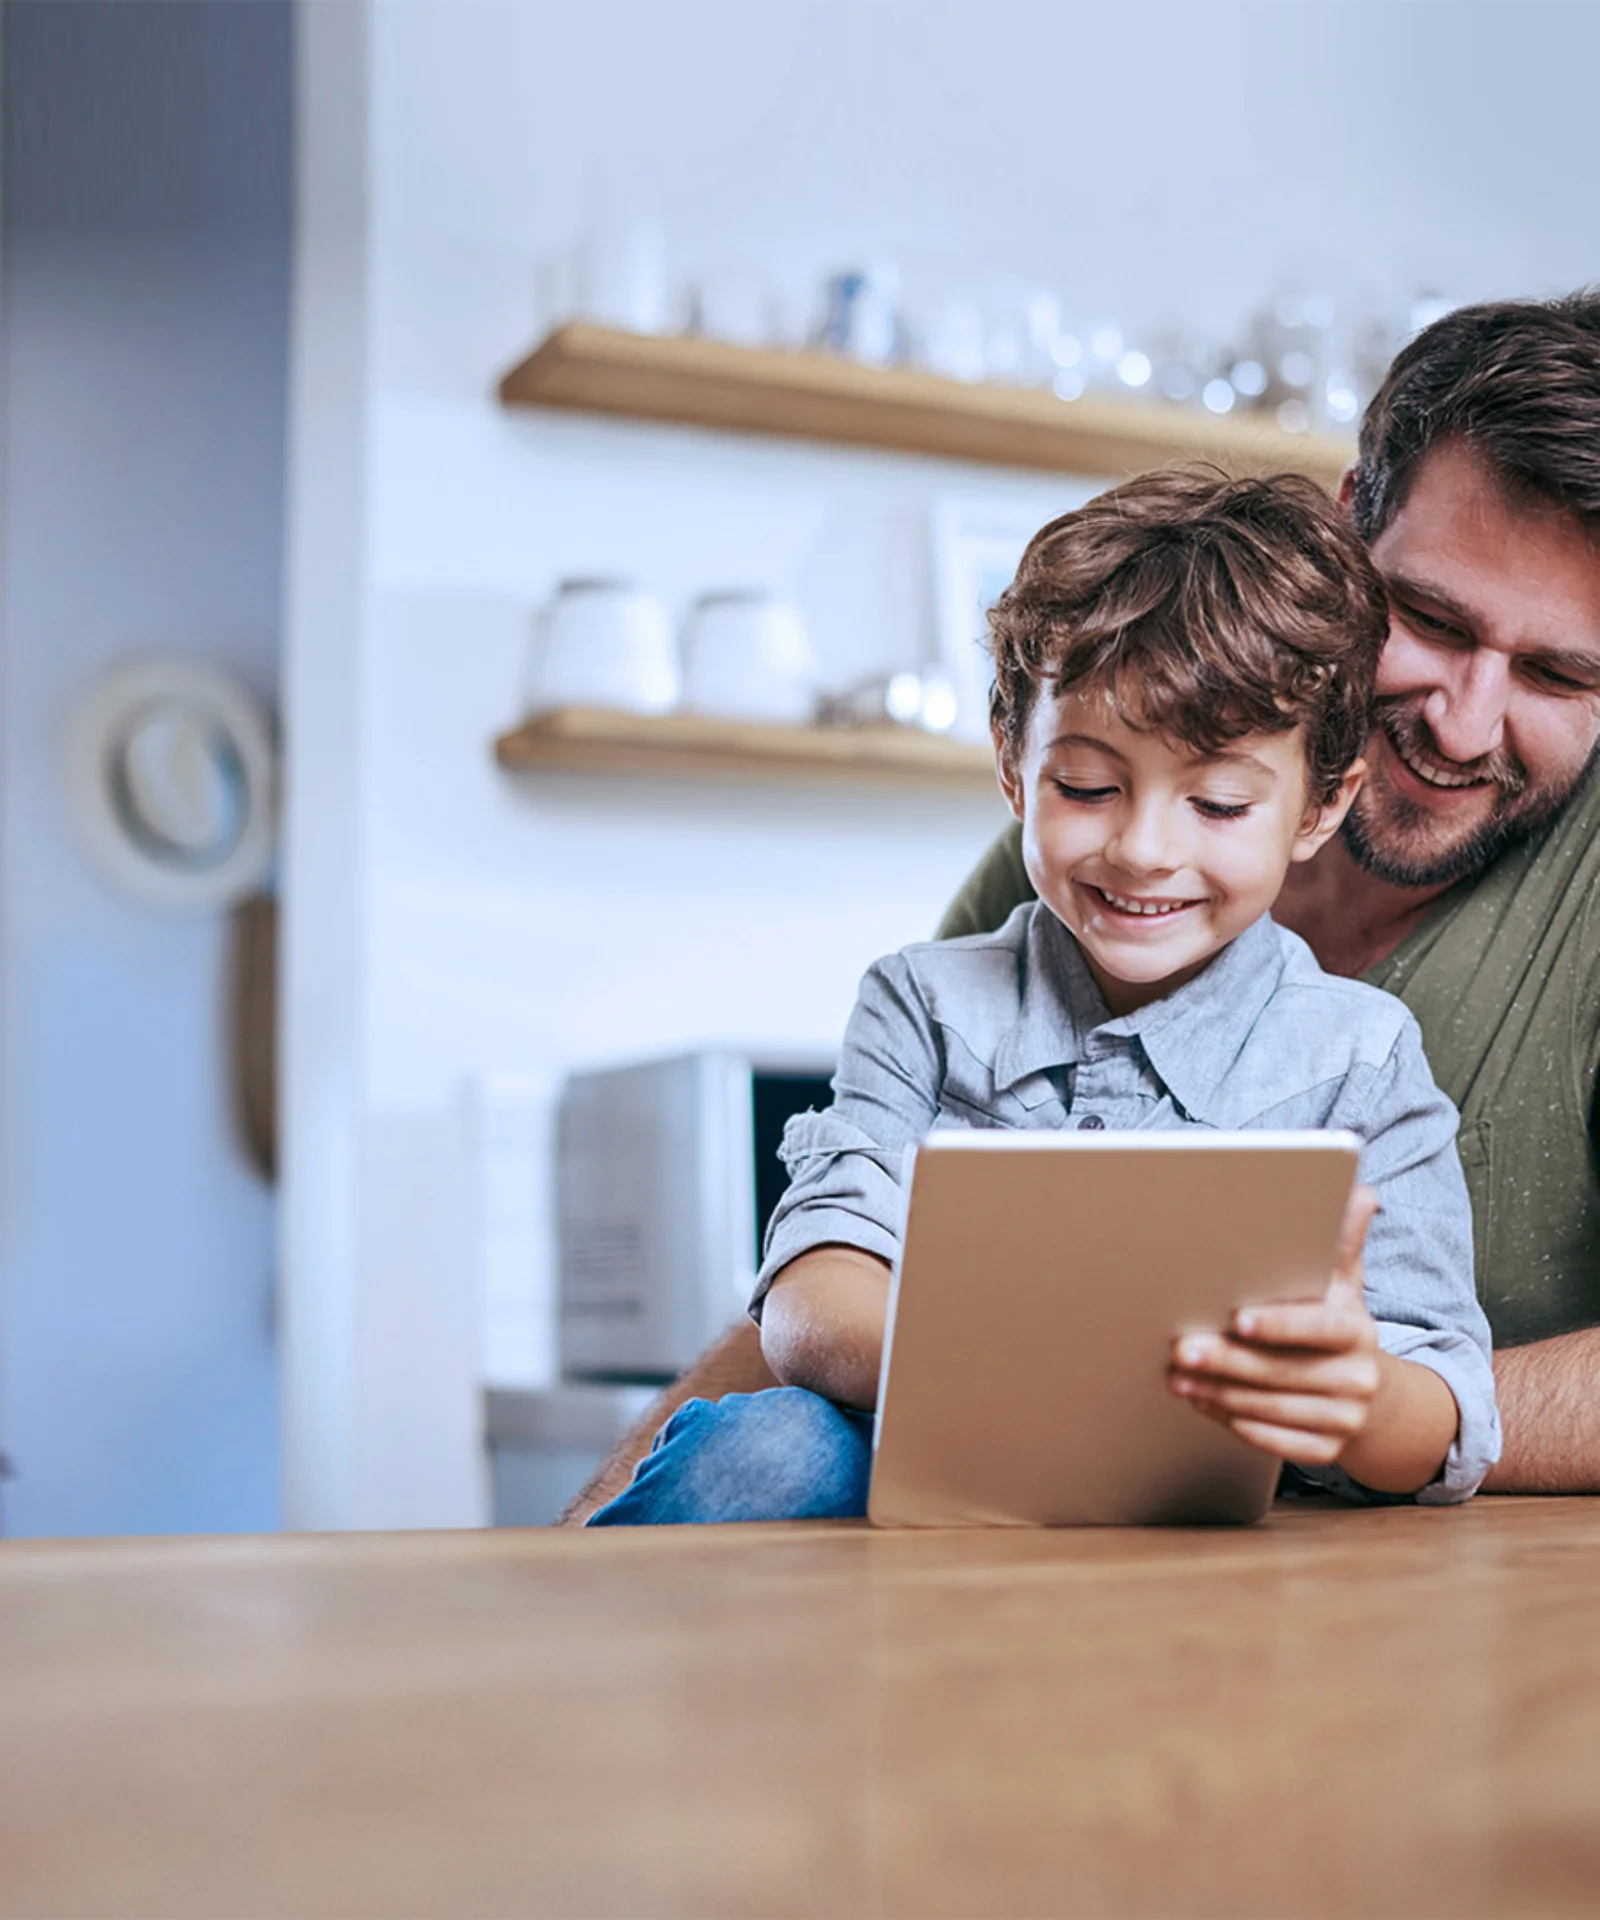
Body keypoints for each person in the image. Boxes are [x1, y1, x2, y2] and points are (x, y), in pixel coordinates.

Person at [565, 290, 1600, 1523]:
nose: (1463, 722)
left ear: (1314, 804)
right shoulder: (1046, 897)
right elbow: (833, 1265)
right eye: (1430, 620)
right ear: (1342, 545)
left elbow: (1420, 1395)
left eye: (1558, 673)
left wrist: (1339, 1405)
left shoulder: (1372, 1055)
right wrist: (580, 1555)